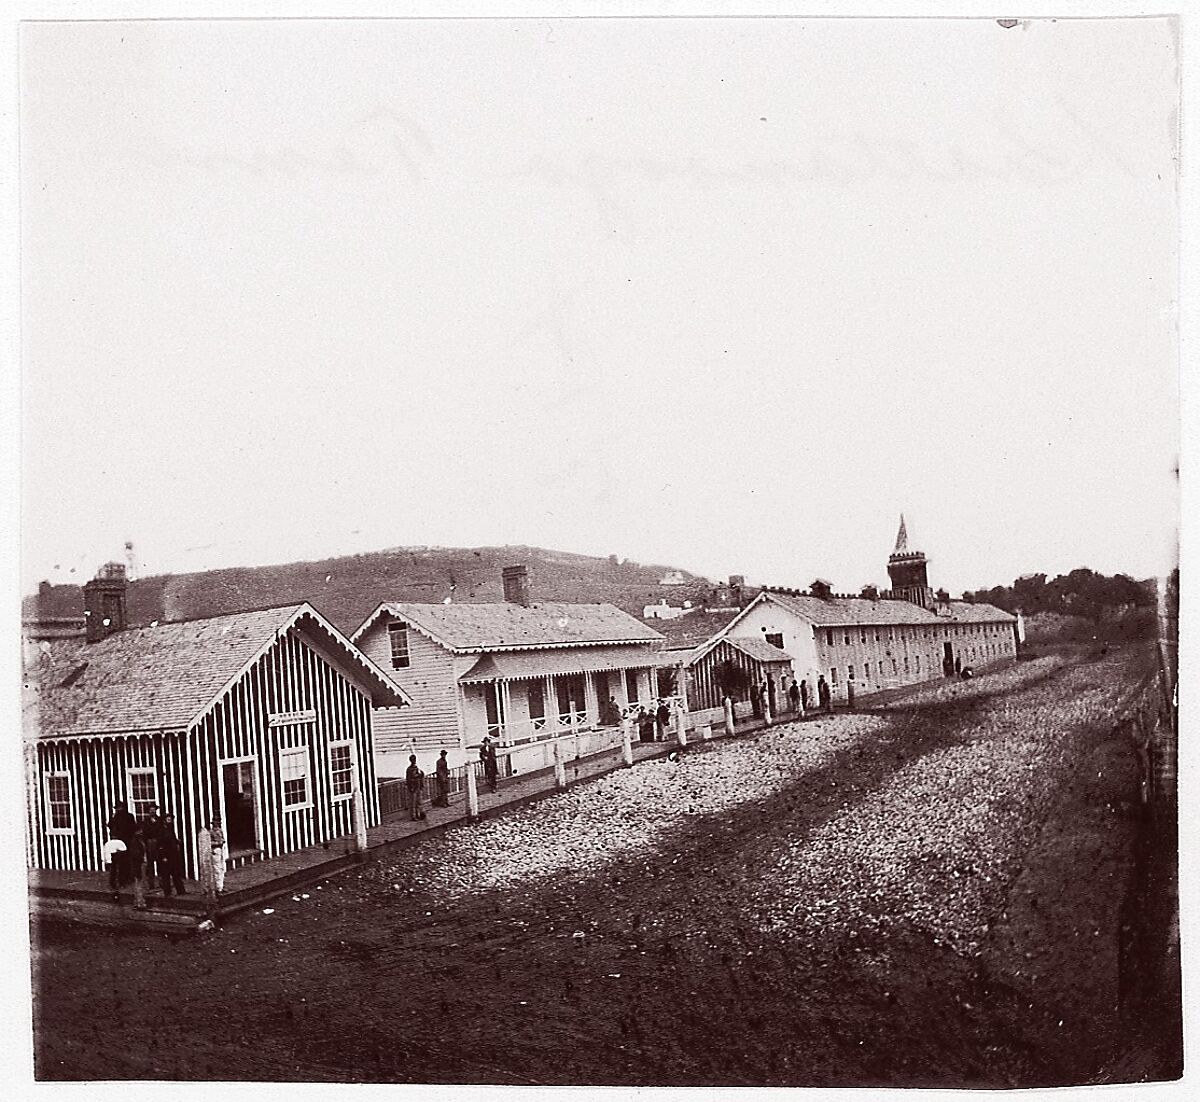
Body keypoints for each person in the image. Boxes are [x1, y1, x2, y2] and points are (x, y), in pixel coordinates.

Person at [156, 813, 186, 897]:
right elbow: (160, 844)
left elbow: (173, 839)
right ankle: (167, 892)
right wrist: (163, 856)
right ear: (164, 821)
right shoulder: (161, 830)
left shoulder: (170, 829)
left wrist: (177, 841)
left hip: (173, 855)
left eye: (171, 820)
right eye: (168, 819)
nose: (170, 821)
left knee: (176, 873)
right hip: (166, 855)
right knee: (166, 874)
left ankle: (180, 890)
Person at [126, 829, 148, 911]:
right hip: (139, 865)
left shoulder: (137, 841)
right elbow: (136, 856)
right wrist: (143, 859)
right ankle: (140, 903)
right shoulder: (136, 842)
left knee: (138, 884)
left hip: (139, 865)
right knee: (140, 884)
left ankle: (137, 902)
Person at [101, 834, 127, 903]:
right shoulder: (120, 842)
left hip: (109, 861)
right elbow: (123, 851)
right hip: (117, 861)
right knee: (118, 873)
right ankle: (118, 886)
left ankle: (113, 886)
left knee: (112, 874)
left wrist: (105, 861)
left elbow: (105, 853)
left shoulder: (107, 844)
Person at [208, 817, 227, 894]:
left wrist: (222, 841)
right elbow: (209, 843)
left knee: (222, 868)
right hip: (215, 850)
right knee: (217, 869)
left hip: (221, 849)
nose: (218, 823)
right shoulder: (211, 832)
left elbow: (223, 839)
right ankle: (218, 888)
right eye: (216, 822)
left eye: (219, 822)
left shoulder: (220, 830)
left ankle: (221, 886)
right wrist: (217, 843)